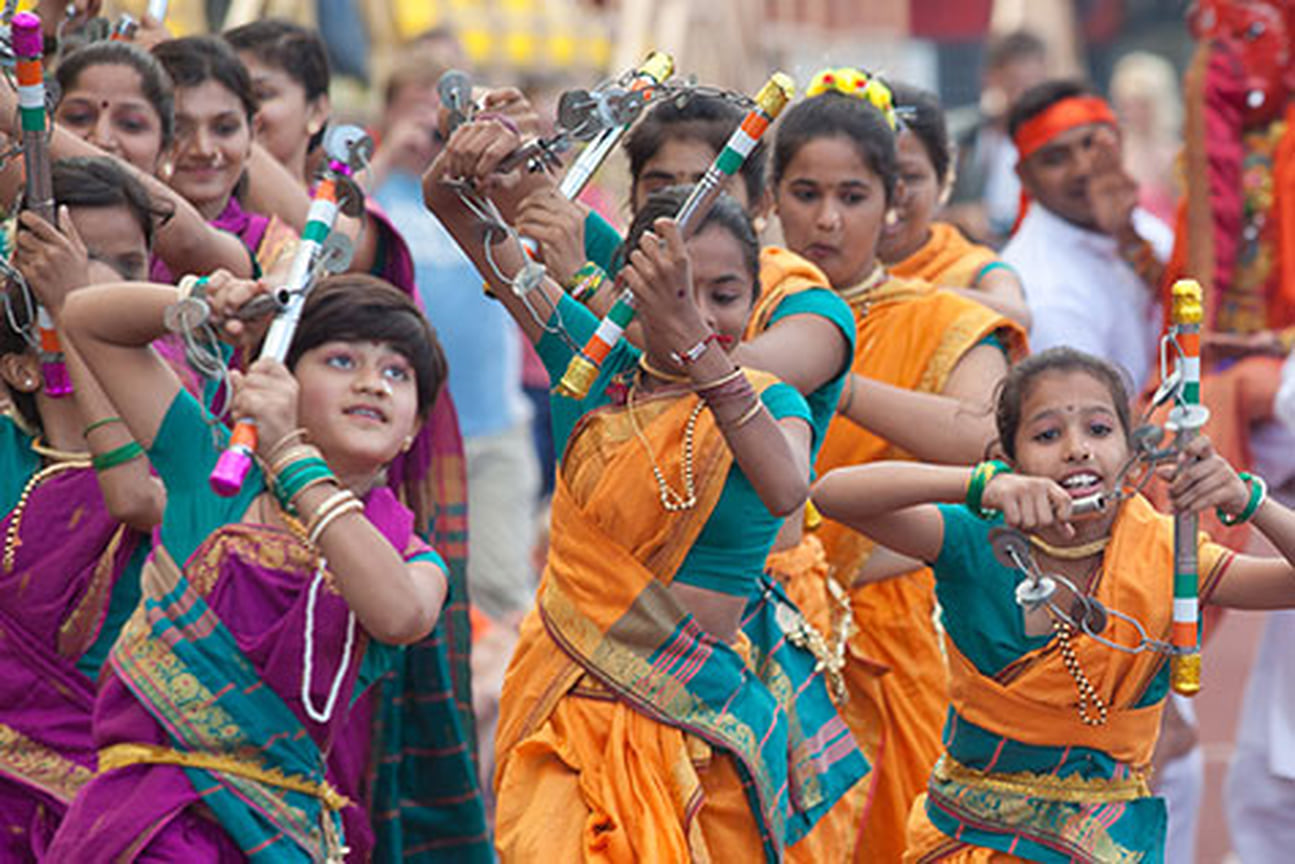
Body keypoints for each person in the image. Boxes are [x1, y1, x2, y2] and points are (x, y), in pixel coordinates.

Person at [426, 102, 867, 856]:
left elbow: (786, 488)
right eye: (674, 292)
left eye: (723, 296)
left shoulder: (767, 403)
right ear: (627, 290)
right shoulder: (587, 366)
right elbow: (456, 210)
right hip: (568, 721)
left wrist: (690, 342)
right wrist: (464, 157)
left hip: (702, 736)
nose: (698, 313)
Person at [813, 345, 1295, 862]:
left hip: (1105, 843)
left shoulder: (1166, 552)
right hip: (972, 839)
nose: (1076, 449)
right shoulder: (973, 538)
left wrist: (1251, 502)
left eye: (1099, 430)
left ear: (1132, 450)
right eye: (1046, 435)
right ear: (1010, 458)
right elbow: (833, 496)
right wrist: (978, 486)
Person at [46, 272, 449, 859]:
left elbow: (399, 613)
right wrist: (200, 301)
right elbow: (86, 319)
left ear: (414, 428)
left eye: (397, 373)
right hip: (153, 825)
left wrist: (290, 454)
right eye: (341, 360)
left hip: (277, 833)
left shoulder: (410, 556)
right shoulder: (212, 471)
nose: (373, 384)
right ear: (274, 378)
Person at [772, 75, 1027, 862]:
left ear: (893, 203)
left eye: (852, 196)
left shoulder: (943, 317)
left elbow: (987, 440)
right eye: (804, 192)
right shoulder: (737, 302)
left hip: (899, 641)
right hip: (755, 632)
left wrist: (830, 372)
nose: (825, 219)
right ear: (769, 196)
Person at [0, 156, 166, 860]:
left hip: (133, 812)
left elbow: (136, 501)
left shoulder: (194, 439)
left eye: (127, 266)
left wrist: (75, 314)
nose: (101, 285)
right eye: (77, 265)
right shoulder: (16, 467)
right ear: (18, 367)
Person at [1002, 79, 1172, 394]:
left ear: (1118, 142)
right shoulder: (1040, 284)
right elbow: (1094, 417)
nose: (1082, 168)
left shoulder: (1147, 230)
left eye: (1092, 145)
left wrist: (1127, 236)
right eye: (1055, 159)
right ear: (1025, 177)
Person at [880, 82, 1030, 327]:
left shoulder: (970, 269)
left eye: (910, 177)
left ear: (943, 182)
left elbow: (1018, 315)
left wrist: (902, 296)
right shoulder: (819, 267)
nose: (893, 193)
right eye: (874, 178)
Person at [150, 36, 299, 281]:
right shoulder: (112, 231)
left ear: (252, 132)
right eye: (178, 129)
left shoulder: (274, 247)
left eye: (225, 128)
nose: (204, 149)